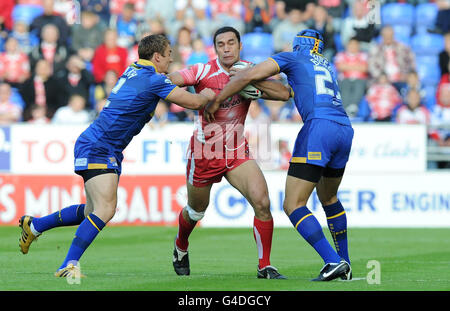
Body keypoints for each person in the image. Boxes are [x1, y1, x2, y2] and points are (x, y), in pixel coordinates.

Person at [18, 34, 214, 278]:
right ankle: (69, 263)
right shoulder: (153, 80)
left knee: (93, 209)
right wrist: (210, 92)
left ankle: (36, 225)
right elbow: (195, 102)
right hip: (100, 146)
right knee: (105, 209)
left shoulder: (133, 71)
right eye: (169, 54)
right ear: (157, 57)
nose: (171, 59)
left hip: (98, 143)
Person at [205, 29, 353, 281]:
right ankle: (345, 263)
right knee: (329, 197)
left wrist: (219, 98)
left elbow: (249, 74)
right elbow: (287, 92)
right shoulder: (326, 64)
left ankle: (331, 261)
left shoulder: (292, 57)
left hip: (318, 128)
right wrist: (255, 84)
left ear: (297, 45)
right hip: (344, 129)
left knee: (293, 204)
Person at [168, 26, 291, 279]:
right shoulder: (203, 70)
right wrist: (197, 97)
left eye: (231, 43)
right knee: (195, 211)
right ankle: (181, 246)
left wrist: (250, 79)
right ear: (215, 49)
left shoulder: (250, 68)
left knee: (262, 202)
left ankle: (264, 265)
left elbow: (284, 93)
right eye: (221, 44)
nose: (226, 48)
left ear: (240, 45)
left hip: (236, 151)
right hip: (205, 153)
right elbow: (170, 81)